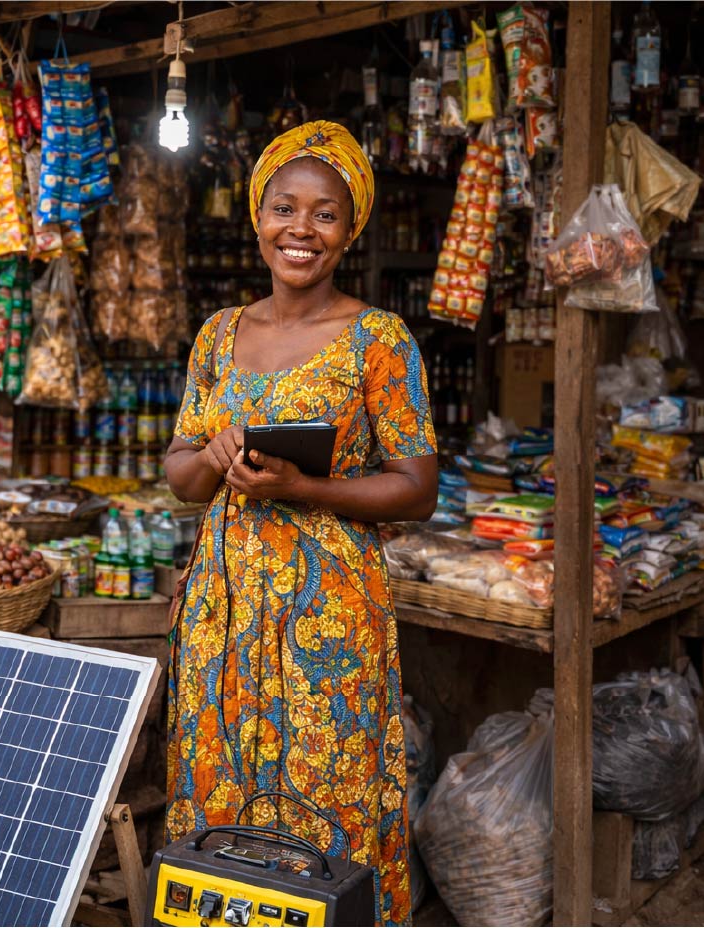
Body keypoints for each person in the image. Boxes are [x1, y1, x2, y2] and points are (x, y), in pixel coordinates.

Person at [163, 121, 438, 927]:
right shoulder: (218, 335)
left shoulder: (378, 341)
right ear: (258, 217)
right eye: (284, 208)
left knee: (329, 782)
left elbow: (417, 488)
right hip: (223, 605)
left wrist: (302, 487)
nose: (301, 229)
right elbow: (180, 479)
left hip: (328, 610)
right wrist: (214, 454)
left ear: (349, 230)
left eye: (325, 214)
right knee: (220, 775)